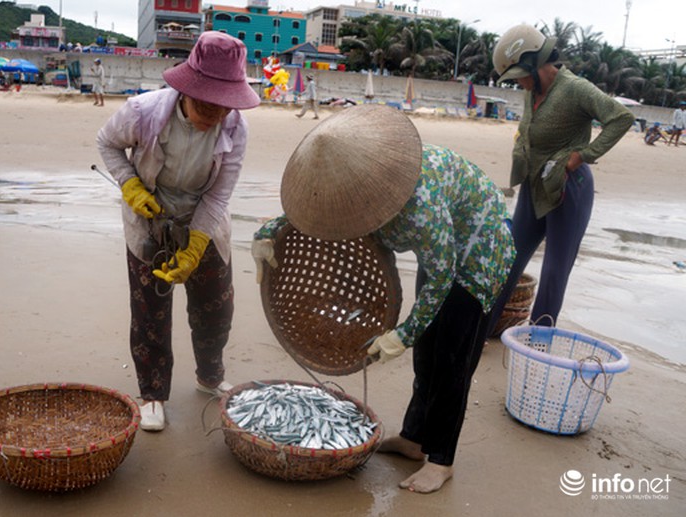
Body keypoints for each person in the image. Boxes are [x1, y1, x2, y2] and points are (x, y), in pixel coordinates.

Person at [252, 105, 515, 493]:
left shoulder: (421, 206)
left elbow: (442, 276)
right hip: (443, 247)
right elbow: (311, 216)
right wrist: (267, 233)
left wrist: (401, 335)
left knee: (451, 358)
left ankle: (441, 460)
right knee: (426, 352)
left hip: (479, 249)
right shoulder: (351, 189)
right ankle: (414, 438)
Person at [96, 32, 260, 432]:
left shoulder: (236, 128)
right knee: (150, 311)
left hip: (204, 217)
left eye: (223, 106)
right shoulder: (143, 111)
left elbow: (219, 195)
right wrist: (131, 186)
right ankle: (153, 394)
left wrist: (196, 244)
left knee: (216, 307)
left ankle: (210, 375)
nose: (214, 116)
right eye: (206, 105)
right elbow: (107, 144)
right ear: (186, 89)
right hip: (150, 217)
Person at [487, 24, 633, 333]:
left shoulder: (575, 89)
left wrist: (581, 156)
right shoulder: (532, 90)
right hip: (534, 184)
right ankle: (482, 329)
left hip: (569, 189)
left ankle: (539, 340)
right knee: (509, 259)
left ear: (534, 64)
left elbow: (621, 118)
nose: (519, 83)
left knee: (555, 270)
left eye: (520, 76)